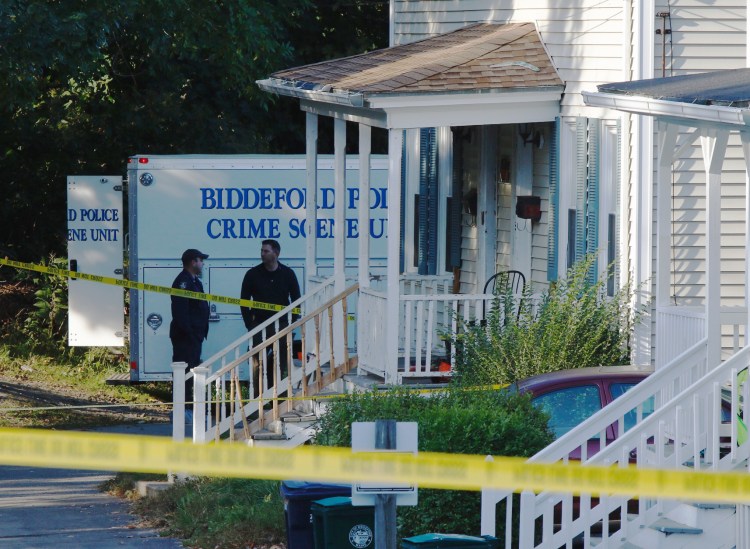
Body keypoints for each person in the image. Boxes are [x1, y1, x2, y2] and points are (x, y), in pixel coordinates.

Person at [240, 239, 301, 393]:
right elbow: (244, 300)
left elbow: (296, 300)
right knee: (256, 364)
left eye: (266, 251)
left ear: (276, 253)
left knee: (280, 363)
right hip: (259, 325)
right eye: (262, 251)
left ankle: (279, 396)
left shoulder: (288, 274)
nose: (262, 254)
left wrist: (291, 322)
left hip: (281, 325)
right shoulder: (252, 274)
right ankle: (256, 399)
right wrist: (250, 324)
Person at [170, 248, 210, 416]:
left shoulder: (195, 281)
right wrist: (191, 335)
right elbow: (181, 312)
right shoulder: (183, 282)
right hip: (186, 337)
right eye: (201, 260)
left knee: (191, 372)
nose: (203, 264)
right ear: (193, 262)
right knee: (184, 373)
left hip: (194, 336)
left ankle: (189, 407)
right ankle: (182, 409)